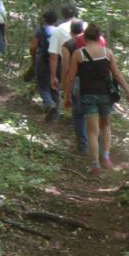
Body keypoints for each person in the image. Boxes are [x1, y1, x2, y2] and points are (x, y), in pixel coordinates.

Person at [58, 22, 129, 175]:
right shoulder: (108, 53)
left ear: (85, 37)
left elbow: (71, 77)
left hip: (87, 95)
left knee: (92, 131)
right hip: (106, 95)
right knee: (105, 126)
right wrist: (128, 92)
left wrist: (67, 96)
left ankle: (95, 165)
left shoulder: (78, 54)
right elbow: (117, 75)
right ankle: (105, 157)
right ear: (99, 37)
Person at [51, 15, 88, 154]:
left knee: (78, 114)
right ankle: (100, 149)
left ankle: (83, 147)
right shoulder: (96, 42)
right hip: (97, 83)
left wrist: (65, 90)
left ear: (71, 32)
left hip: (78, 82)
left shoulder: (69, 45)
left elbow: (66, 69)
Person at [30, 9, 60, 120]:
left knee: (42, 85)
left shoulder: (40, 30)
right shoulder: (59, 31)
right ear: (55, 20)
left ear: (44, 19)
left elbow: (33, 47)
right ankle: (55, 115)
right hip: (58, 61)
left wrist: (33, 58)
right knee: (55, 87)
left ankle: (48, 103)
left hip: (43, 60)